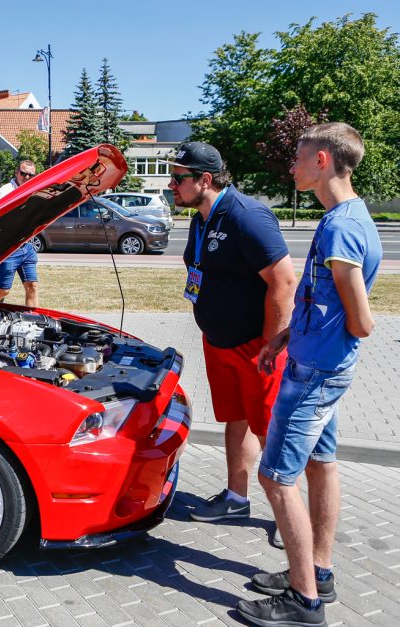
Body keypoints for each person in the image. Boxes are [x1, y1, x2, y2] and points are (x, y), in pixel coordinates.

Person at [238, 123, 382, 627]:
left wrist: (319, 340)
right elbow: (319, 300)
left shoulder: (341, 228)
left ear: (323, 160)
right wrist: (281, 339)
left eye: (299, 158)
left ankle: (304, 602)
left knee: (276, 478)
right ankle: (318, 572)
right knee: (322, 462)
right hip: (318, 362)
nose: (292, 166)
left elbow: (361, 320)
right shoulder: (350, 216)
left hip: (316, 372)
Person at [166, 142, 297, 523]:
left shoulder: (247, 216)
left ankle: (287, 519)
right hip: (219, 342)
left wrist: (271, 345)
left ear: (205, 180)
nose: (172, 186)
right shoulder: (200, 217)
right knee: (236, 418)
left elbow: (284, 282)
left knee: (271, 431)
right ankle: (236, 499)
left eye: (179, 178)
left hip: (257, 347)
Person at [0, 160, 39, 307]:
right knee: (3, 290)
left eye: (31, 175)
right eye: (23, 173)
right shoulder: (5, 192)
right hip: (8, 248)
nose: (27, 177)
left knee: (32, 285)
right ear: (16, 173)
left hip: (27, 247)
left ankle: (33, 322)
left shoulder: (33, 190)